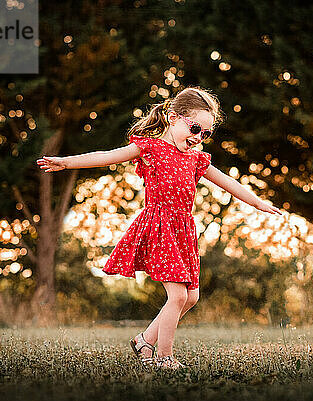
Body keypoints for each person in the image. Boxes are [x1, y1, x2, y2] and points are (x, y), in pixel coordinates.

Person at [36, 86, 284, 370]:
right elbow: (106, 156)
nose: (198, 137)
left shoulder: (196, 159)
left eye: (205, 133)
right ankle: (164, 357)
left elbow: (231, 184)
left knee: (191, 297)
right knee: (177, 296)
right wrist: (66, 162)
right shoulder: (150, 149)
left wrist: (258, 203)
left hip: (183, 230)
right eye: (194, 128)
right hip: (159, 226)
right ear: (173, 117)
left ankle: (144, 340)